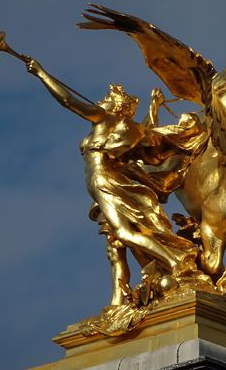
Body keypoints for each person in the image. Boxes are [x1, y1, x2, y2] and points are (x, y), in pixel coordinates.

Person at [24, 58, 198, 304]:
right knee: (116, 246)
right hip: (102, 186)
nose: (101, 101)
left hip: (106, 182)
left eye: (107, 99)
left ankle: (175, 261)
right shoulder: (114, 127)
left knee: (124, 233)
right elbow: (144, 135)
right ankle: (118, 300)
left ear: (117, 108)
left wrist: (42, 74)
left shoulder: (105, 119)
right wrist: (154, 109)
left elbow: (68, 101)